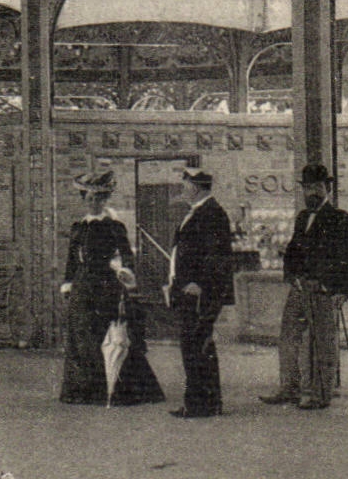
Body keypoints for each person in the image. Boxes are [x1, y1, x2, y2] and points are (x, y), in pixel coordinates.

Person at [58, 171, 164, 407]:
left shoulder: (113, 226)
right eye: (88, 198)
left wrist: (125, 271)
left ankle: (115, 388)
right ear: (83, 199)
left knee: (109, 335)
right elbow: (72, 261)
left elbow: (127, 254)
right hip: (83, 285)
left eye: (98, 199)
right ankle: (84, 390)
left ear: (104, 200)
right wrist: (68, 284)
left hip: (105, 284)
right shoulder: (78, 227)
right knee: (81, 335)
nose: (93, 202)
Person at [261, 163, 348, 411]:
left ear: (327, 188)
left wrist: (338, 290)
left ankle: (321, 394)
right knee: (288, 338)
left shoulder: (340, 219)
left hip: (322, 290)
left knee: (324, 343)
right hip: (300, 289)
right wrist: (291, 275)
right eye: (307, 187)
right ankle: (290, 389)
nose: (311, 192)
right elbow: (293, 250)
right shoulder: (303, 217)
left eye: (317, 187)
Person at [165, 167, 235, 418]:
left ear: (196, 187)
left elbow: (218, 257)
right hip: (188, 291)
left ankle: (200, 404)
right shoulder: (199, 213)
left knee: (197, 345)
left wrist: (202, 284)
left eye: (185, 185)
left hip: (198, 293)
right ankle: (205, 402)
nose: (182, 188)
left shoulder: (212, 213)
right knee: (196, 345)